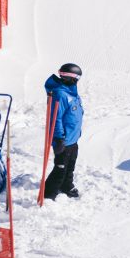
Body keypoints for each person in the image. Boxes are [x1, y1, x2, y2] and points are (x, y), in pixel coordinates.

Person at [44, 63, 84, 200]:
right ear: (71, 78)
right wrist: (59, 138)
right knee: (60, 169)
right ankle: (48, 194)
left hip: (73, 139)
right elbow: (55, 119)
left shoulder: (72, 93)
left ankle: (66, 185)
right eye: (77, 78)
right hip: (63, 140)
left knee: (70, 166)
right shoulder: (60, 94)